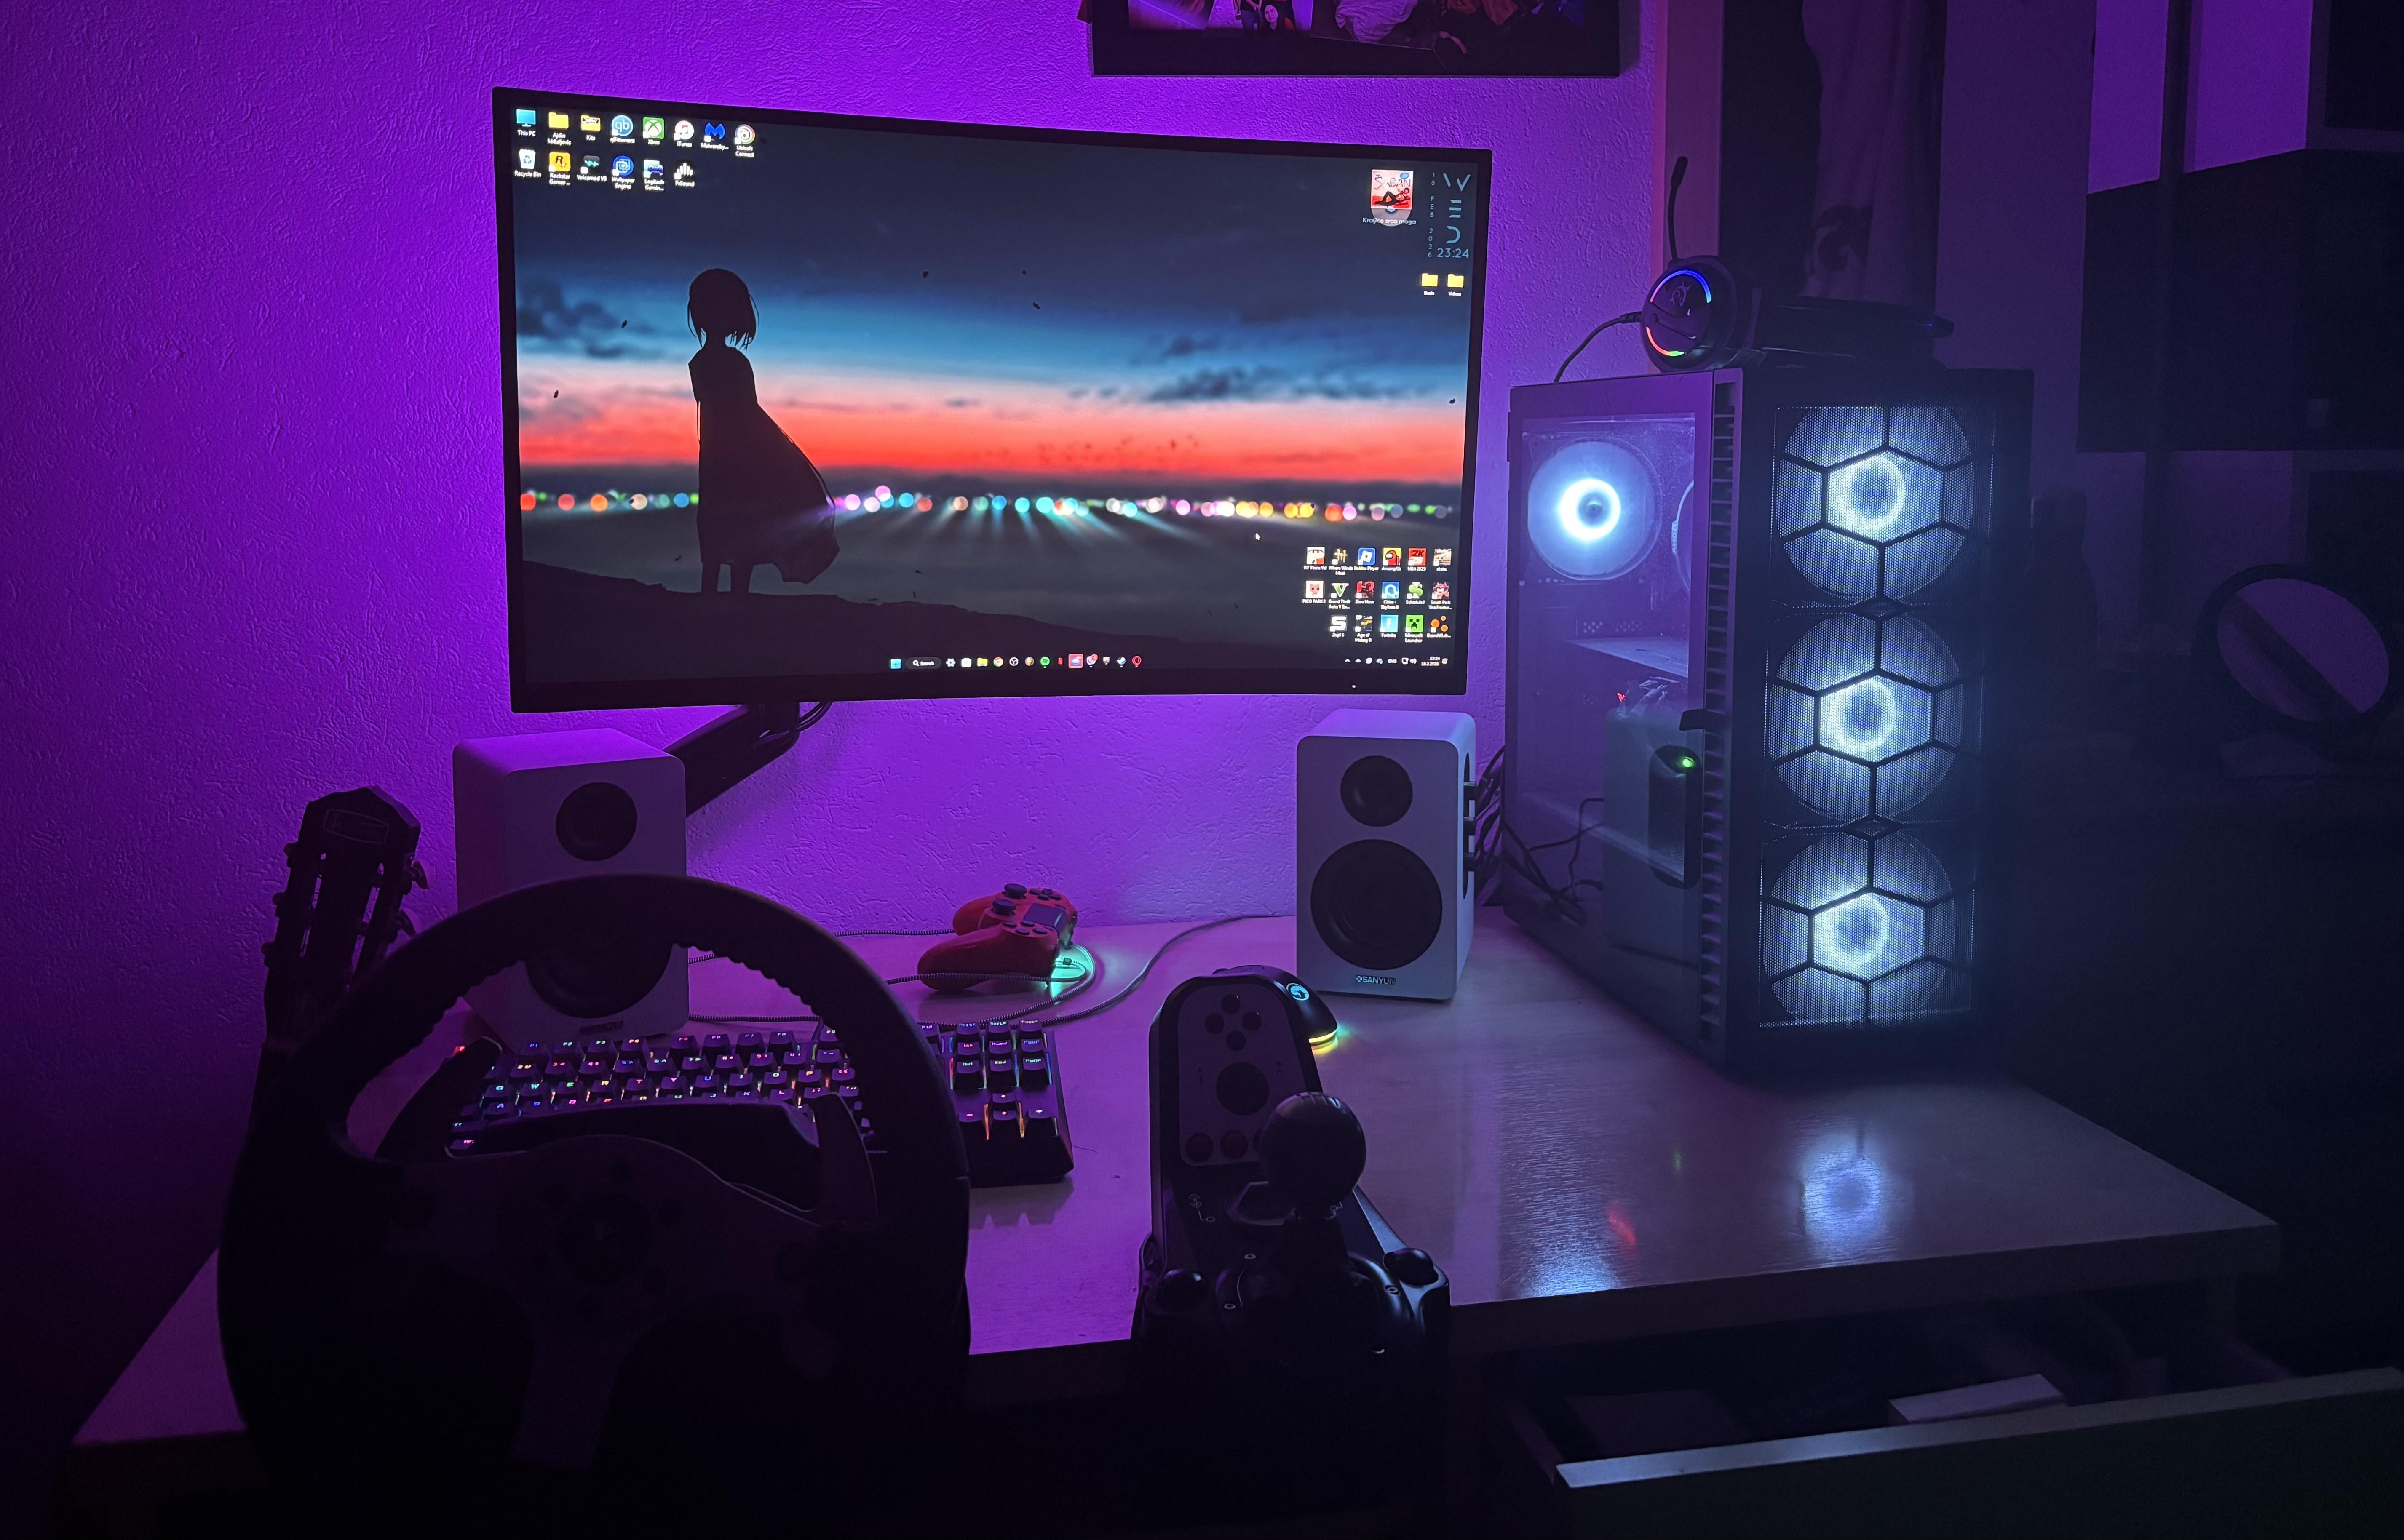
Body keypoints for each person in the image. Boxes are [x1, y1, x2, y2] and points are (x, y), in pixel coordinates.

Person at [685, 268, 839, 593]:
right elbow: (744, 407)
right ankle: (731, 598)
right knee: (737, 524)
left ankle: (712, 597)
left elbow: (721, 407)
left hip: (718, 449)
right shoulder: (730, 362)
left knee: (722, 523)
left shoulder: (701, 362)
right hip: (732, 450)